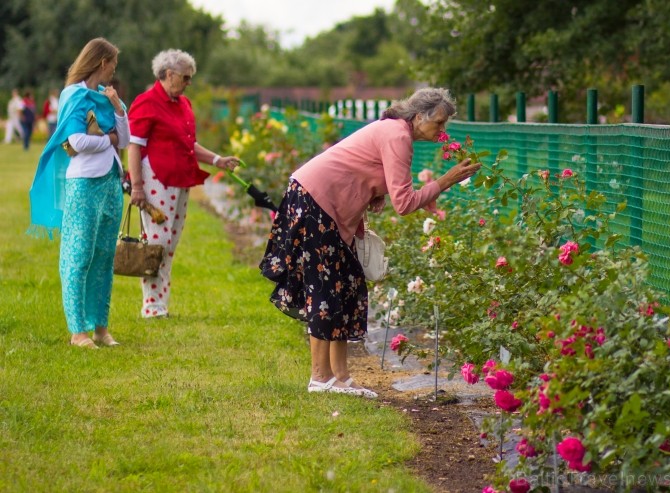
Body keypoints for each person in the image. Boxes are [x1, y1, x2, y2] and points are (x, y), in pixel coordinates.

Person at [259, 88, 481, 397]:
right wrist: (445, 181)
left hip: (326, 206)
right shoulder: (398, 135)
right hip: (316, 203)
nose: (442, 131)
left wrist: (375, 191)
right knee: (325, 289)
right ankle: (319, 378)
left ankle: (341, 377)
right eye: (439, 123)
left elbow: (369, 170)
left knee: (345, 286)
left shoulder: (396, 131)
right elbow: (404, 204)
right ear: (419, 117)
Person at [28, 37, 129, 348]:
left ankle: (100, 327)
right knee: (79, 255)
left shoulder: (108, 97)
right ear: (102, 62)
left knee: (103, 257)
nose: (114, 69)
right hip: (84, 183)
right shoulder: (73, 95)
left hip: (112, 182)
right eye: (113, 63)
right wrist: (109, 140)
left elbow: (125, 139)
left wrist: (117, 111)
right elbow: (76, 141)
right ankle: (78, 332)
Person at [127, 49, 240, 318]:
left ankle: (160, 305)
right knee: (158, 243)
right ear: (169, 74)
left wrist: (217, 159)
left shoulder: (183, 104)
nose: (189, 82)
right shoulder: (147, 102)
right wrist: (137, 186)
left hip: (180, 180)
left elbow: (189, 144)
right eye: (186, 77)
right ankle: (152, 307)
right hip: (157, 178)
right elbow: (134, 146)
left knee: (170, 245)